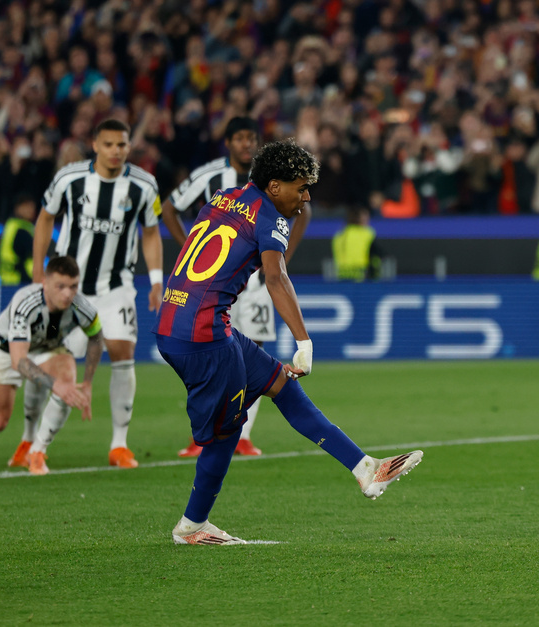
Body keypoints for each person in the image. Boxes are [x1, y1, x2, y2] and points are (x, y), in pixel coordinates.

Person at [156, 140, 423, 545]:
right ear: (274, 185)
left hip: (179, 321)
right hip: (204, 335)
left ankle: (365, 468)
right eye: (300, 188)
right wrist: (304, 339)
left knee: (281, 382)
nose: (306, 197)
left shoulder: (224, 196)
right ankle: (192, 526)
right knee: (225, 435)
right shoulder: (271, 218)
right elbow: (276, 276)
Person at [161, 116, 313, 458]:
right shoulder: (211, 176)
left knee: (254, 350)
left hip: (258, 280)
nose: (247, 144)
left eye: (252, 138)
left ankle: (243, 433)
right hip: (213, 283)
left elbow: (303, 213)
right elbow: (169, 208)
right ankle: (204, 433)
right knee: (209, 353)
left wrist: (282, 257)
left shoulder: (275, 177)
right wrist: (192, 247)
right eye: (241, 138)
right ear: (228, 142)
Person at [31, 119, 163, 469]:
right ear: (95, 145)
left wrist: (156, 280)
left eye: (122, 145)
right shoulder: (69, 179)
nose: (116, 151)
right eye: (109, 145)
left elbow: (150, 233)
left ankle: (119, 445)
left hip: (116, 286)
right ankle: (35, 443)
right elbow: (45, 218)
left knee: (122, 351)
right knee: (57, 366)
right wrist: (37, 271)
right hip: (68, 292)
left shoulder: (144, 185)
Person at [0, 256, 103, 475]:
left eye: (73, 286)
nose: (67, 294)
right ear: (45, 283)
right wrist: (55, 385)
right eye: (60, 286)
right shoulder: (26, 304)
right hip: (9, 350)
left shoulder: (81, 306)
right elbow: (20, 361)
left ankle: (36, 450)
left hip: (47, 348)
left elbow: (96, 337)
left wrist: (88, 383)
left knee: (68, 380)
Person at [332, 205, 379, 281]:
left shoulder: (339, 235)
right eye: (366, 217)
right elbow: (376, 257)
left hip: (341, 275)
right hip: (362, 275)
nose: (368, 220)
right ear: (359, 218)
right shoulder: (367, 233)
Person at [0, 194, 37, 286]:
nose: (30, 210)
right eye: (27, 206)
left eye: (32, 206)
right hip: (21, 281)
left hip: (6, 280)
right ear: (17, 208)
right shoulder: (21, 230)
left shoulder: (11, 225)